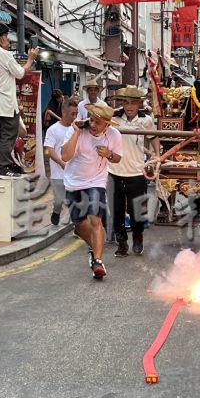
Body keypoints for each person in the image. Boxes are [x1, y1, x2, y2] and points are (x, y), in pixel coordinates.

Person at [60, 101, 123, 279]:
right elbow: (65, 156)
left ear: (107, 125)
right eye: (92, 120)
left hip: (96, 182)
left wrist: (109, 154)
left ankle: (98, 261)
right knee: (79, 225)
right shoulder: (77, 130)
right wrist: (77, 133)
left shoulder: (114, 135)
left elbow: (118, 158)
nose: (93, 125)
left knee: (96, 220)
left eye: (98, 122)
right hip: (74, 183)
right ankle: (94, 248)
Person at [0, 22, 38, 177]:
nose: (8, 40)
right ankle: (4, 166)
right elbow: (20, 73)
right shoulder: (4, 54)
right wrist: (30, 60)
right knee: (8, 135)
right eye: (6, 37)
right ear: (1, 38)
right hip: (6, 102)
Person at [109, 86, 159, 257]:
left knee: (135, 210)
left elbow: (154, 138)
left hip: (136, 173)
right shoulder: (113, 117)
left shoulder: (146, 120)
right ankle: (122, 243)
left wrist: (157, 155)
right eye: (126, 102)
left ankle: (138, 238)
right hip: (114, 171)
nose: (129, 106)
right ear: (122, 103)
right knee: (116, 211)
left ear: (139, 104)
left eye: (133, 103)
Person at [44, 98, 76, 226]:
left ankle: (76, 225)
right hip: (58, 174)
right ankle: (56, 211)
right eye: (72, 114)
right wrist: (61, 163)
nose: (75, 117)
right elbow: (49, 150)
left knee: (74, 201)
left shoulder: (77, 130)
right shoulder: (53, 130)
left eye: (76, 114)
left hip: (74, 174)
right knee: (59, 200)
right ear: (64, 112)